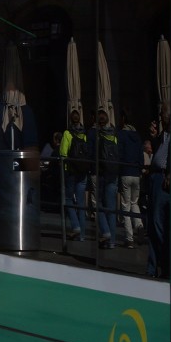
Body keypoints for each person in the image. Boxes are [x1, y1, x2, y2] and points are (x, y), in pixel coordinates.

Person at [146, 108, 171, 278]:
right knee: (153, 224)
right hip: (155, 178)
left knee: (158, 223)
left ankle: (164, 265)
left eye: (163, 113)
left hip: (163, 179)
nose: (160, 116)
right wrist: (154, 137)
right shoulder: (164, 135)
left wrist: (170, 174)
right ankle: (152, 267)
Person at [59, 109, 90, 239]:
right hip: (83, 171)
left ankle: (76, 226)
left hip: (71, 170)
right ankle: (81, 235)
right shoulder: (84, 134)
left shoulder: (67, 133)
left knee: (68, 199)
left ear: (70, 120)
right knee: (81, 203)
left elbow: (63, 153)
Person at [94, 107, 120, 249]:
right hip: (114, 173)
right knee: (111, 209)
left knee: (98, 205)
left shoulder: (98, 135)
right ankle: (112, 242)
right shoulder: (114, 135)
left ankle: (105, 231)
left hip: (103, 173)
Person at [117, 111, 144, 248]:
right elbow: (141, 155)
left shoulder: (121, 134)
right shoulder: (137, 136)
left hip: (125, 172)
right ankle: (139, 225)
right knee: (135, 203)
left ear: (123, 120)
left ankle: (129, 238)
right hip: (136, 173)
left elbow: (119, 153)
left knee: (126, 205)